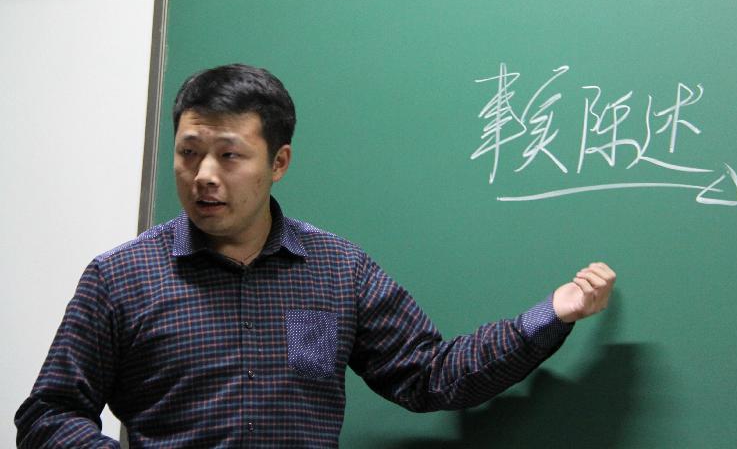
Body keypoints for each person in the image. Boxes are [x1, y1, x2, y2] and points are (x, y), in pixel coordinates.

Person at [16, 64, 616, 448]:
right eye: (188, 152)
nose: (203, 175)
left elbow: (431, 375)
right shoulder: (120, 278)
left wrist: (552, 314)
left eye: (229, 155)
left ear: (278, 162)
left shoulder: (339, 271)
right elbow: (49, 414)